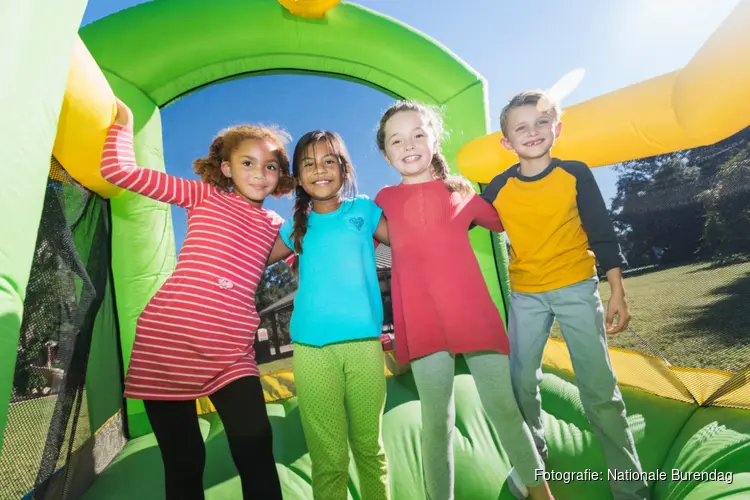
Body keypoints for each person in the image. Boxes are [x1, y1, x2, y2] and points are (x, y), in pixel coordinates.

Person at [100, 99, 294, 500]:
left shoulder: (277, 226)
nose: (260, 173)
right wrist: (124, 124)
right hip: (167, 345)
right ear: (226, 167)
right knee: (185, 461)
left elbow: (310, 253)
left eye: (270, 166)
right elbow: (119, 172)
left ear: (280, 175)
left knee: (256, 450)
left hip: (231, 352)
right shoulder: (203, 196)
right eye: (248, 163)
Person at [373, 101, 554, 500]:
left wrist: (524, 168)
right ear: (387, 154)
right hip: (422, 322)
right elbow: (368, 243)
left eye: (419, 134)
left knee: (504, 408)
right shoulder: (383, 200)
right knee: (437, 422)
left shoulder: (460, 190)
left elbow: (505, 217)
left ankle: (540, 492)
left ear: (434, 140)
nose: (409, 145)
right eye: (397, 140)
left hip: (472, 314)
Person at [480, 89, 649, 500]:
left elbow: (602, 233)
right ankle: (532, 463)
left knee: (598, 389)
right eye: (521, 127)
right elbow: (461, 217)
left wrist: (617, 292)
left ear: (557, 128)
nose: (532, 132)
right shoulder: (499, 187)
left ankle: (629, 486)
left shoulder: (574, 173)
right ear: (507, 142)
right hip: (526, 296)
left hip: (576, 286)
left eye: (541, 123)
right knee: (520, 382)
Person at [266, 130, 391, 500]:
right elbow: (249, 257)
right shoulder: (295, 228)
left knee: (370, 449)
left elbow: (413, 239)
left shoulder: (363, 212)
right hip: (312, 351)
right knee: (329, 458)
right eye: (308, 164)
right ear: (298, 177)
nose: (319, 170)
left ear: (343, 168)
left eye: (328, 161)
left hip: (364, 348)